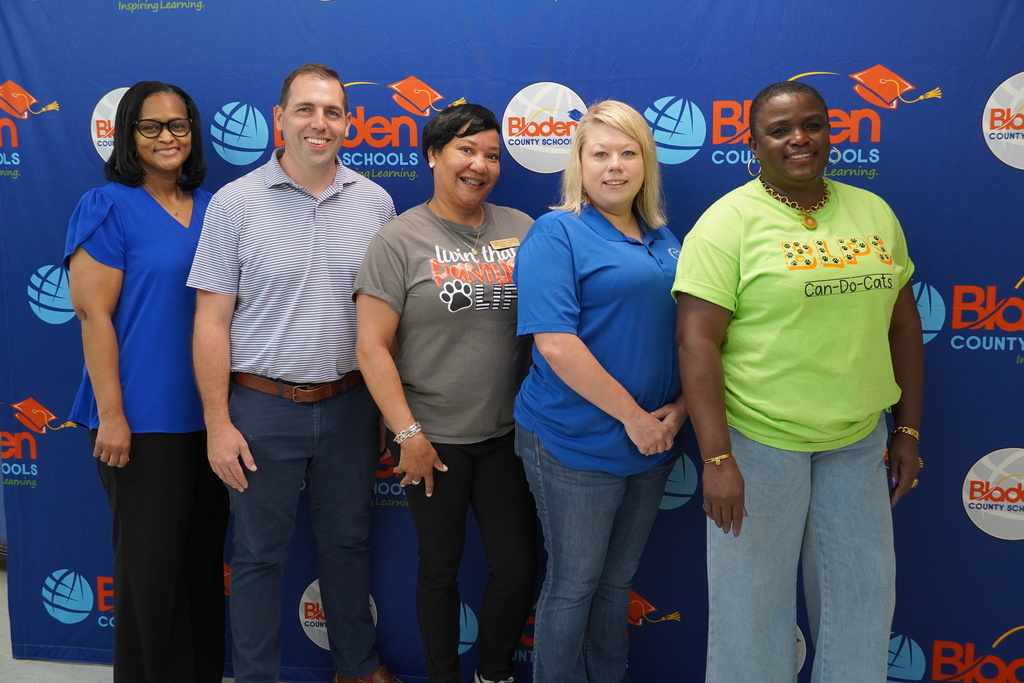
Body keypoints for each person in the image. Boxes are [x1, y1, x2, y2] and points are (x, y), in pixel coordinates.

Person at [673, 80, 923, 683]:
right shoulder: (727, 222)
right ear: (753, 142)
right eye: (780, 129)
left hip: (857, 441)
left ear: (831, 132)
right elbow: (695, 342)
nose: (799, 139)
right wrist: (717, 458)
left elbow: (903, 325)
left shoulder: (874, 212)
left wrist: (908, 428)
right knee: (751, 616)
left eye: (812, 124)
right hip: (758, 443)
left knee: (862, 605)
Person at [188, 64, 400, 683]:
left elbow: (386, 320)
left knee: (348, 543)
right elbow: (210, 322)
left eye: (332, 112)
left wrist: (385, 409)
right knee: (257, 555)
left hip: (350, 405)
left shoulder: (376, 203)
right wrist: (217, 423)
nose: (319, 123)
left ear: (348, 123)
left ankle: (356, 668)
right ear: (279, 118)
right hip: (261, 408)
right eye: (306, 109)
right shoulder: (234, 203)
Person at [354, 103, 537, 683]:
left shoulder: (522, 229)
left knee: (516, 566)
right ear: (433, 155)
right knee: (439, 568)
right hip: (430, 440)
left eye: (492, 155)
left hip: (507, 435)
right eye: (466, 150)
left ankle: (493, 673)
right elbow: (371, 347)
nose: (480, 164)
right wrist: (407, 434)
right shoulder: (398, 240)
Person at [513, 100, 686, 683]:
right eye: (600, 154)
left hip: (653, 440)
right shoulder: (556, 232)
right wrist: (635, 418)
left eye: (628, 153)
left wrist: (679, 410)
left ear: (646, 163)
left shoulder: (663, 237)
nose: (615, 166)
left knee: (616, 584)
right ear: (579, 164)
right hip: (576, 441)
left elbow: (690, 334)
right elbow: (556, 344)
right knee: (575, 584)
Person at [65, 80, 228, 682]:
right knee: (149, 576)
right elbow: (93, 317)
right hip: (138, 420)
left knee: (201, 568)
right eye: (151, 126)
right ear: (128, 135)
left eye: (178, 125)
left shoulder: (217, 209)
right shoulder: (107, 206)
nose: (167, 137)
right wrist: (112, 415)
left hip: (211, 419)